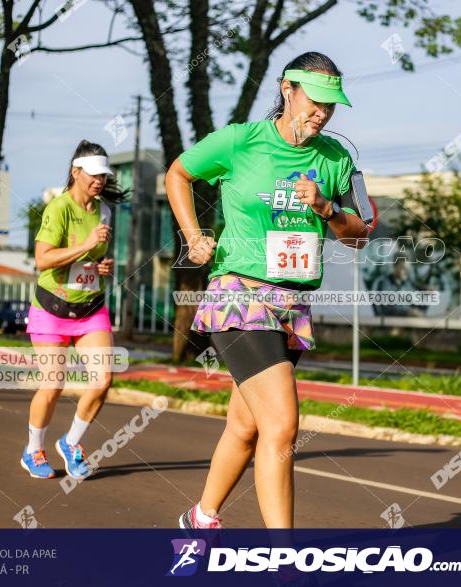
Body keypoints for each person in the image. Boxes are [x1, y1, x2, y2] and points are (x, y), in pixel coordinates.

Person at [166, 51, 369, 528]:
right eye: (315, 101)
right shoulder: (241, 141)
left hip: (291, 304)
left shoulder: (337, 159)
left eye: (331, 105)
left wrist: (325, 209)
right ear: (287, 90)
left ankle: (201, 517)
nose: (322, 112)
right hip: (238, 294)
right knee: (281, 425)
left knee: (246, 425)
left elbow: (361, 235)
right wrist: (194, 238)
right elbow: (178, 172)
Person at [20, 140, 126, 480]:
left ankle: (71, 442)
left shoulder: (104, 211)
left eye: (103, 176)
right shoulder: (59, 209)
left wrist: (102, 265)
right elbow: (42, 260)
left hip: (91, 307)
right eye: (93, 175)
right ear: (75, 172)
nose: (100, 181)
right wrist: (86, 245)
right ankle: (33, 448)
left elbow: (91, 258)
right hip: (52, 308)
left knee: (102, 380)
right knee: (53, 385)